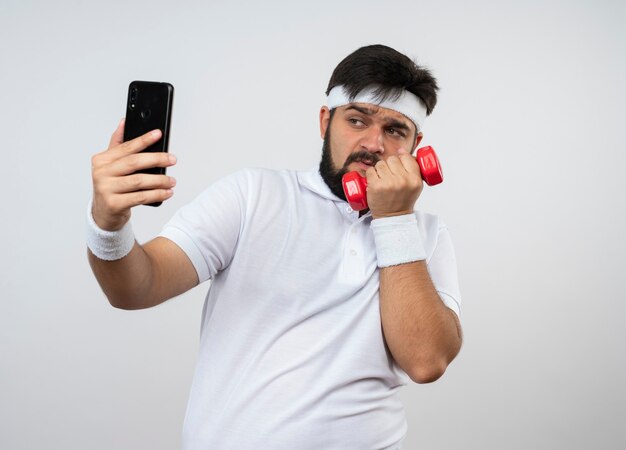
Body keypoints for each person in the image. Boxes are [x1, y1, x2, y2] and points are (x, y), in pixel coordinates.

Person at [87, 44, 463, 450]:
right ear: (325, 121)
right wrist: (108, 225)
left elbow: (426, 362)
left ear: (417, 147)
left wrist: (394, 219)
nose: (373, 144)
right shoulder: (253, 195)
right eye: (357, 120)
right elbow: (134, 289)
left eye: (395, 130)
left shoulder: (425, 234)